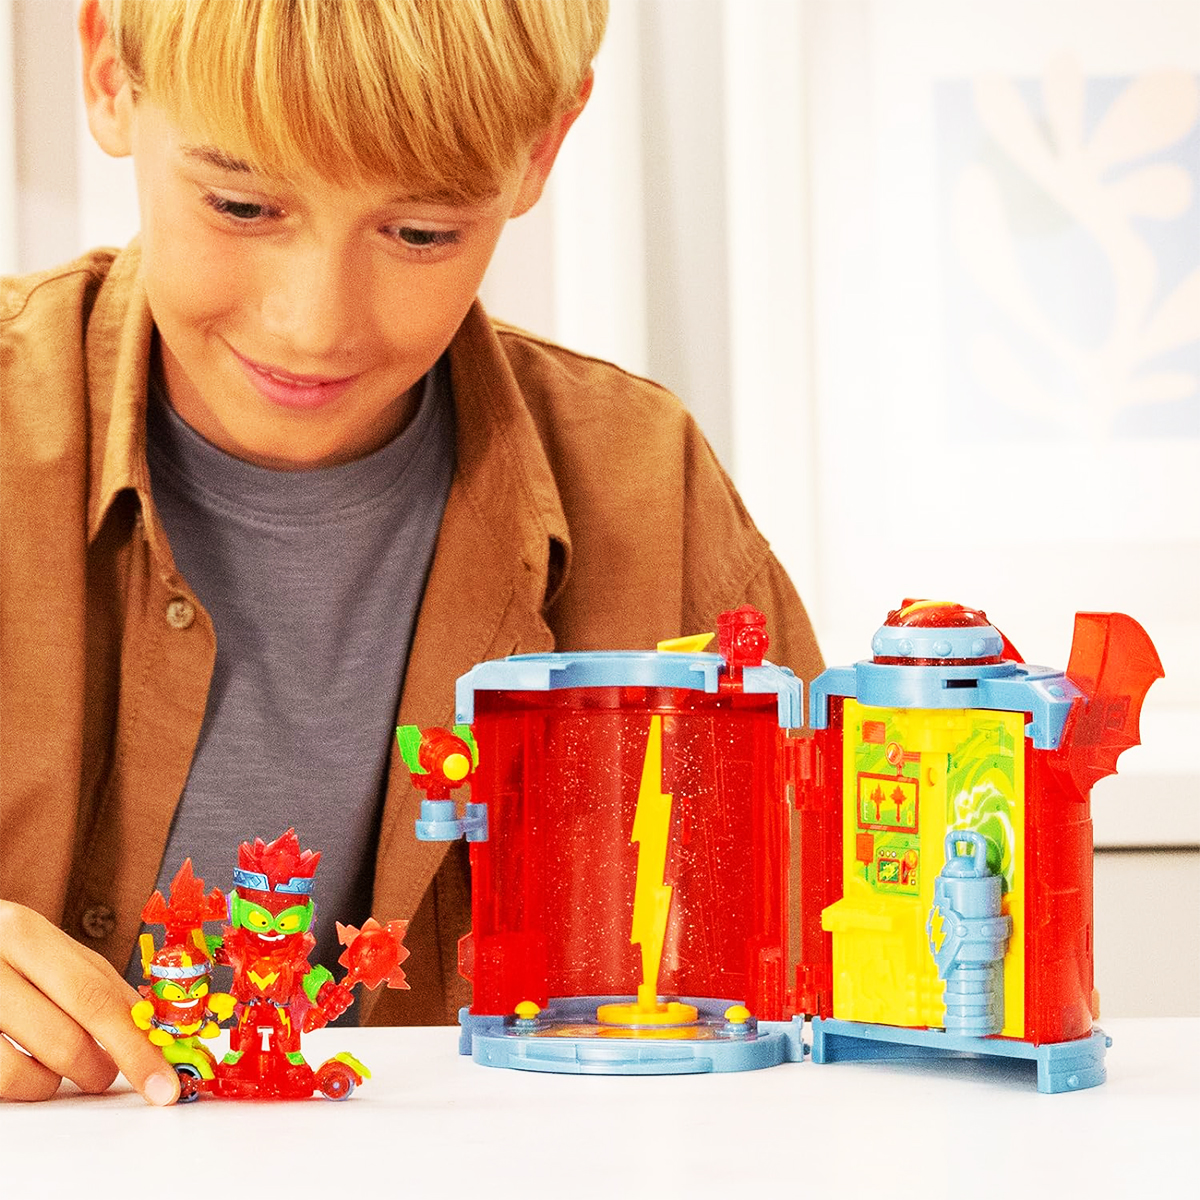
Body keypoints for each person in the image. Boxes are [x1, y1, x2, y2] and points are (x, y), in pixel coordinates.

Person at [0, 0, 822, 1105]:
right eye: (241, 205)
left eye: (422, 233)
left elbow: (824, 998)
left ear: (542, 149)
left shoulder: (644, 487)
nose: (312, 325)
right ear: (110, 71)